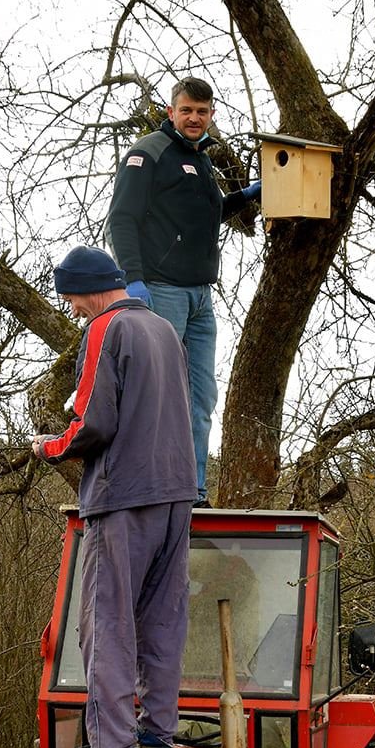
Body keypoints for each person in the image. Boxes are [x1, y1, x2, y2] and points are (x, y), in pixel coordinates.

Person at [32, 246, 197, 748]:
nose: (73, 309)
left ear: (86, 288)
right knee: (162, 620)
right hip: (176, 493)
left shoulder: (106, 329)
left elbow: (92, 421)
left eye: (71, 299)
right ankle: (156, 737)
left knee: (106, 624)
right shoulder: (165, 331)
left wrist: (49, 447)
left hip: (122, 496)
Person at [105, 76, 261, 505]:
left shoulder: (202, 161)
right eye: (187, 110)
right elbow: (121, 219)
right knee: (158, 389)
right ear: (171, 112)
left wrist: (245, 196)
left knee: (200, 395)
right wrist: (132, 279)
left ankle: (191, 489)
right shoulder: (148, 152)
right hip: (160, 288)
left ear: (211, 115)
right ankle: (151, 484)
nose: (194, 118)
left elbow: (208, 215)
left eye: (203, 111)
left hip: (200, 296)